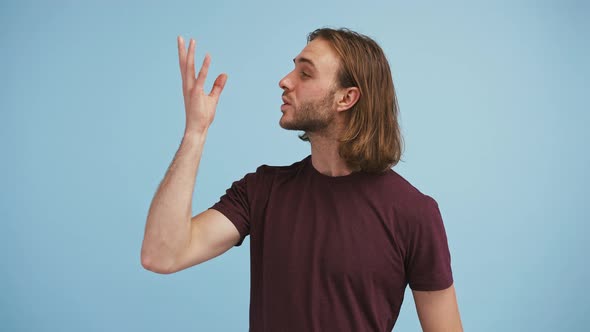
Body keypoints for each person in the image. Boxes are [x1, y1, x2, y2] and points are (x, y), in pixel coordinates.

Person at [141, 27, 463, 331]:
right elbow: (163, 254)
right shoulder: (262, 190)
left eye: (305, 73)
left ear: (346, 98)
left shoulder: (414, 214)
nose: (284, 81)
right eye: (293, 69)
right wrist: (195, 132)